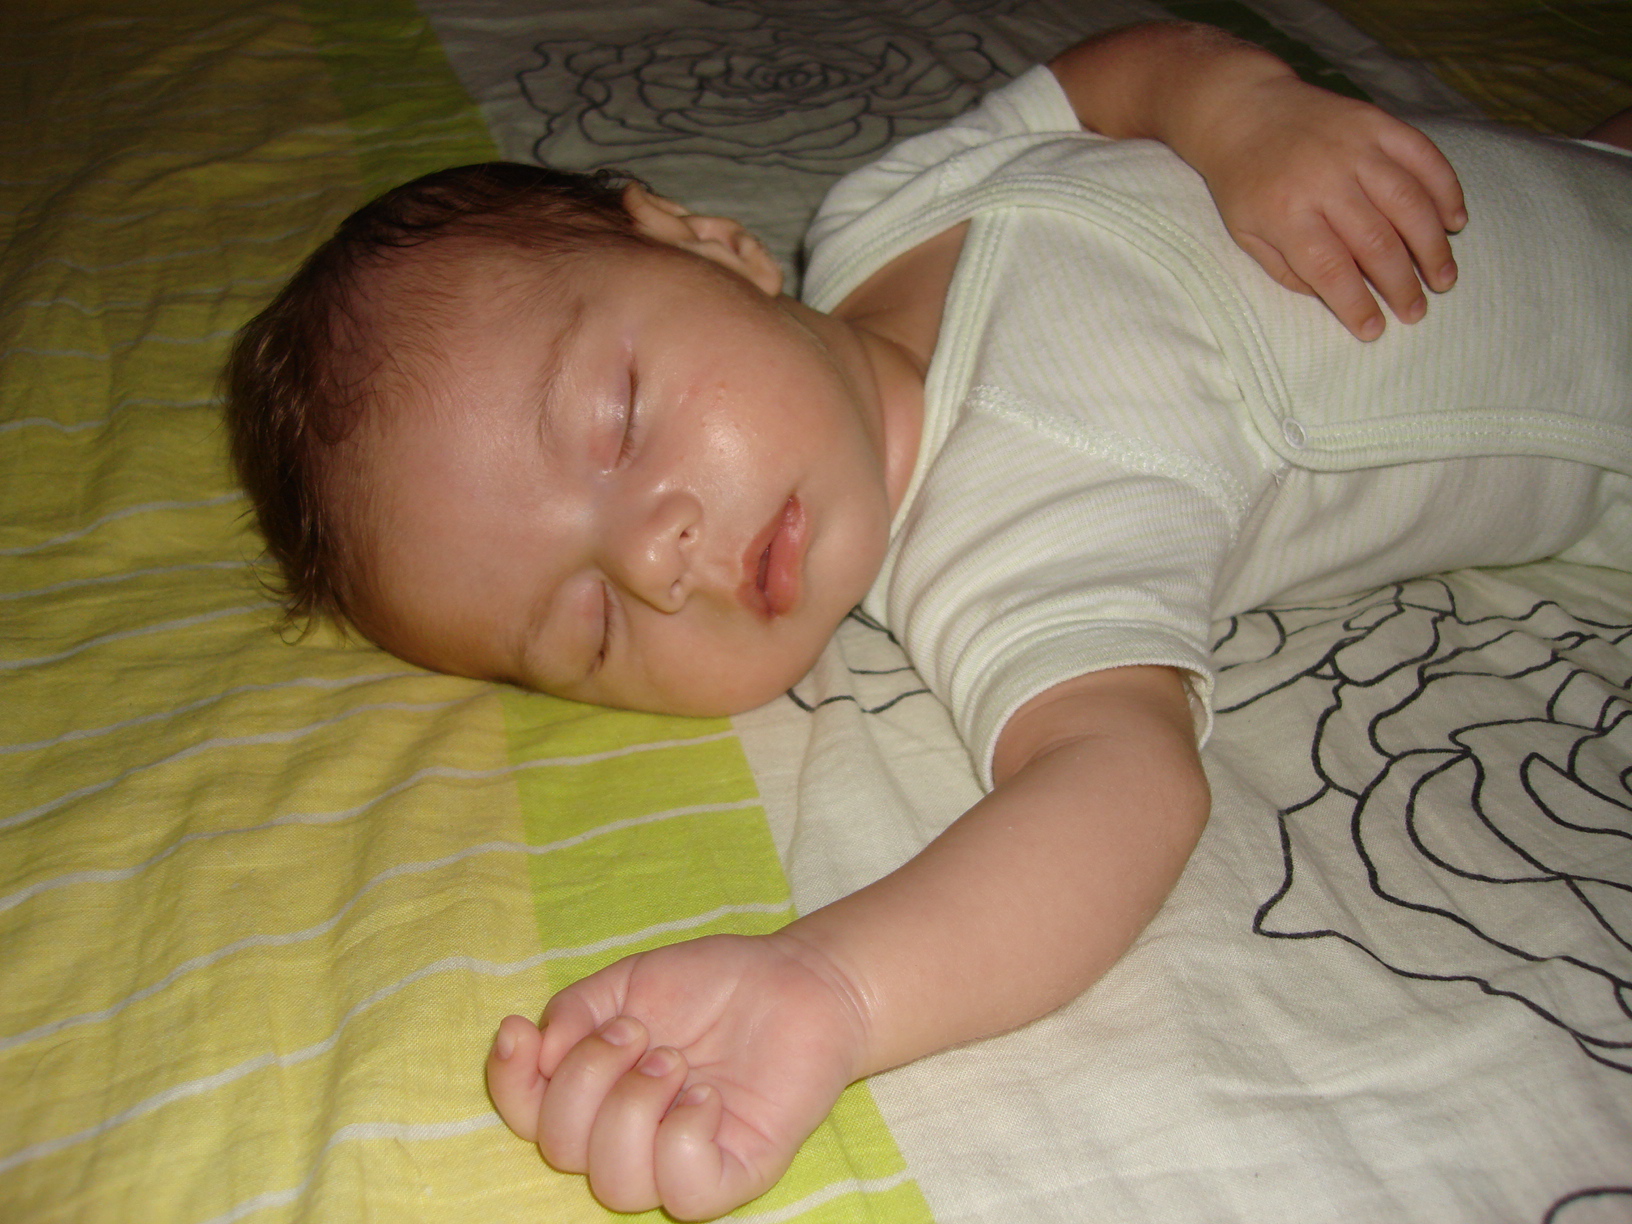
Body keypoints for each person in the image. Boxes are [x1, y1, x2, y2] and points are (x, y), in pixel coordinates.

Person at [223, 21, 1632, 1220]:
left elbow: (1111, 81)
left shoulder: (886, 210)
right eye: (589, 623)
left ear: (706, 241)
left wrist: (1240, 109)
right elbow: (1119, 781)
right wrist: (830, 991)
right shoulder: (1009, 552)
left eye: (619, 418)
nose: (657, 556)